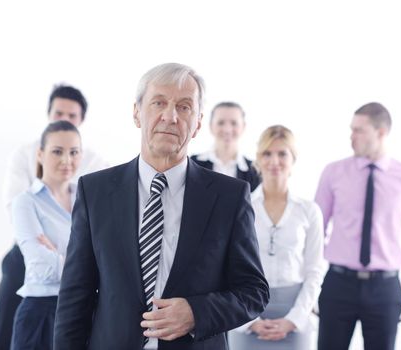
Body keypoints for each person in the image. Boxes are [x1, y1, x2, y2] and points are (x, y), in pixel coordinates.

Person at [53, 63, 269, 350]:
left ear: (198, 124)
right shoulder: (95, 192)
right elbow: (74, 297)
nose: (171, 116)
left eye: (184, 107)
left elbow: (253, 292)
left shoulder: (230, 196)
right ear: (137, 113)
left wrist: (197, 312)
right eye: (159, 103)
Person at [0, 85, 108, 350]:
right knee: (3, 333)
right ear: (48, 114)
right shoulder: (25, 153)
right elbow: (17, 206)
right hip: (25, 258)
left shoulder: (93, 161)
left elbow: (104, 232)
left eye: (72, 115)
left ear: (81, 120)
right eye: (59, 113)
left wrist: (63, 256)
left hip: (75, 293)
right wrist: (79, 262)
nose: (64, 119)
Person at [314, 102, 401, 350]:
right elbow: (316, 231)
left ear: (381, 132)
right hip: (338, 284)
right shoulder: (333, 173)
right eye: (351, 129)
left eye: (359, 130)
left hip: (385, 288)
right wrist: (310, 287)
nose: (351, 136)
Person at [229, 125, 326, 350]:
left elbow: (315, 271)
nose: (275, 161)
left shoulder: (308, 211)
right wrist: (249, 321)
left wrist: (294, 319)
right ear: (258, 160)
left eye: (282, 153)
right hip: (246, 313)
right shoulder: (241, 208)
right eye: (267, 153)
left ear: (293, 159)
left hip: (295, 315)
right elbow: (228, 269)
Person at [10, 120, 82, 349]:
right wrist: (81, 266)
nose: (66, 160)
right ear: (40, 154)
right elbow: (39, 264)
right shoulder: (25, 202)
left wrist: (60, 258)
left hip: (80, 312)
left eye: (74, 152)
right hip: (40, 315)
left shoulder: (87, 200)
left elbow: (104, 258)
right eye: (57, 152)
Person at [191, 102, 260, 191]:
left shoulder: (254, 171)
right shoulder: (193, 164)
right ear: (211, 126)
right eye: (221, 123)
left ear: (243, 127)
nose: (227, 129)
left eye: (234, 123)